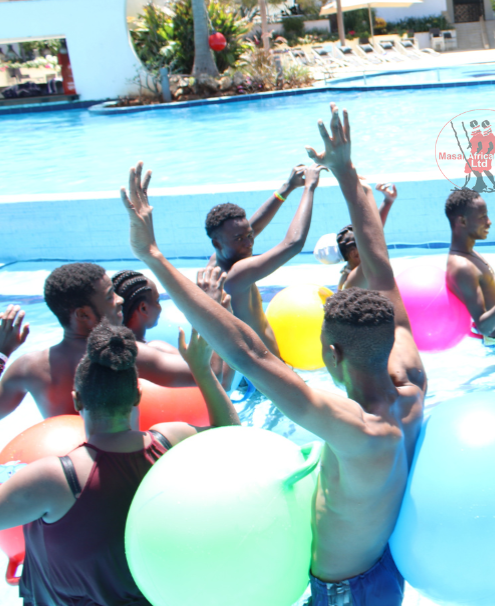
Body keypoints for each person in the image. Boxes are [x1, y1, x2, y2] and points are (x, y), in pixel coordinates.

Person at [121, 103, 424, 606]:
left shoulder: (355, 428)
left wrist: (151, 256)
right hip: (385, 568)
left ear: (331, 352)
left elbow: (249, 355)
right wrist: (346, 172)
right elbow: (382, 268)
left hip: (348, 591)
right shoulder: (410, 380)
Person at [0, 323, 239, 606]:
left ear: (77, 400)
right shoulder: (169, 442)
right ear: (138, 396)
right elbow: (231, 435)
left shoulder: (52, 479)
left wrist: (2, 354)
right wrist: (202, 371)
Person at [0, 263, 197, 420]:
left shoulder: (27, 367)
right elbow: (211, 374)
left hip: (64, 464)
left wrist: (2, 353)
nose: (120, 300)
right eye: (110, 296)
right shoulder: (124, 353)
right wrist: (213, 305)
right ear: (83, 314)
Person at [206, 164, 322, 355]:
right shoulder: (235, 275)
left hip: (254, 369)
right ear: (217, 243)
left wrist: (288, 187)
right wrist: (309, 188)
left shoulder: (217, 259)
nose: (249, 243)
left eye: (249, 236)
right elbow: (293, 244)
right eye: (239, 239)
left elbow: (253, 227)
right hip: (264, 374)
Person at [444, 188, 495, 343]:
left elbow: (492, 293)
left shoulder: (470, 254)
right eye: (482, 217)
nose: (489, 222)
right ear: (462, 221)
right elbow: (484, 326)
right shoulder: (462, 267)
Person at [331, 181, 397, 291]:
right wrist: (367, 191)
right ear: (355, 254)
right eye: (367, 245)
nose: (374, 246)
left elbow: (374, 232)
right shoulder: (353, 281)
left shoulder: (353, 271)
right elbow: (374, 235)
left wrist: (388, 201)